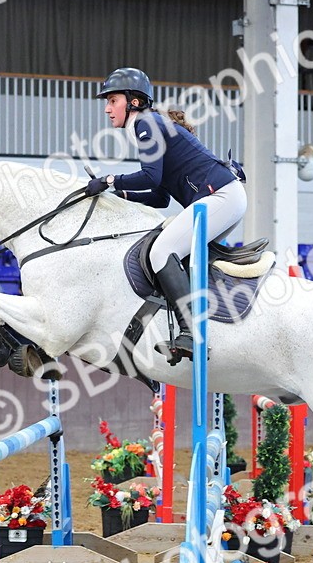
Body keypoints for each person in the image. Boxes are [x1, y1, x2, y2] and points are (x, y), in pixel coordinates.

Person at [90, 67, 246, 364]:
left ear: (133, 101)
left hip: (220, 196)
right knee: (178, 257)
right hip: (224, 198)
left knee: (161, 250)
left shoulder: (145, 123)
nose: (107, 109)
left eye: (112, 100)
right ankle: (197, 327)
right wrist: (118, 194)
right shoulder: (151, 125)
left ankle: (192, 333)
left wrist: (110, 181)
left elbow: (149, 177)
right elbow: (160, 196)